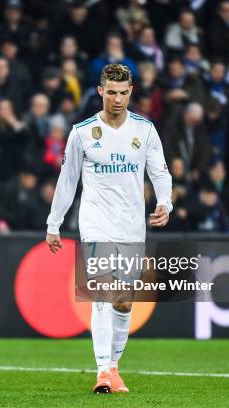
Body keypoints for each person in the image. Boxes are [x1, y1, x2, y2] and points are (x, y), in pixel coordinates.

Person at [45, 64, 172, 394]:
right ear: (100, 91)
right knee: (103, 294)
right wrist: (53, 223)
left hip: (131, 225)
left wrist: (165, 202)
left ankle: (114, 368)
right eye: (111, 92)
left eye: (123, 92)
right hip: (95, 223)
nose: (117, 98)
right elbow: (68, 180)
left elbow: (160, 171)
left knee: (123, 301)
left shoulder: (144, 130)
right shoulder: (83, 132)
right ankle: (103, 371)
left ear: (131, 91)